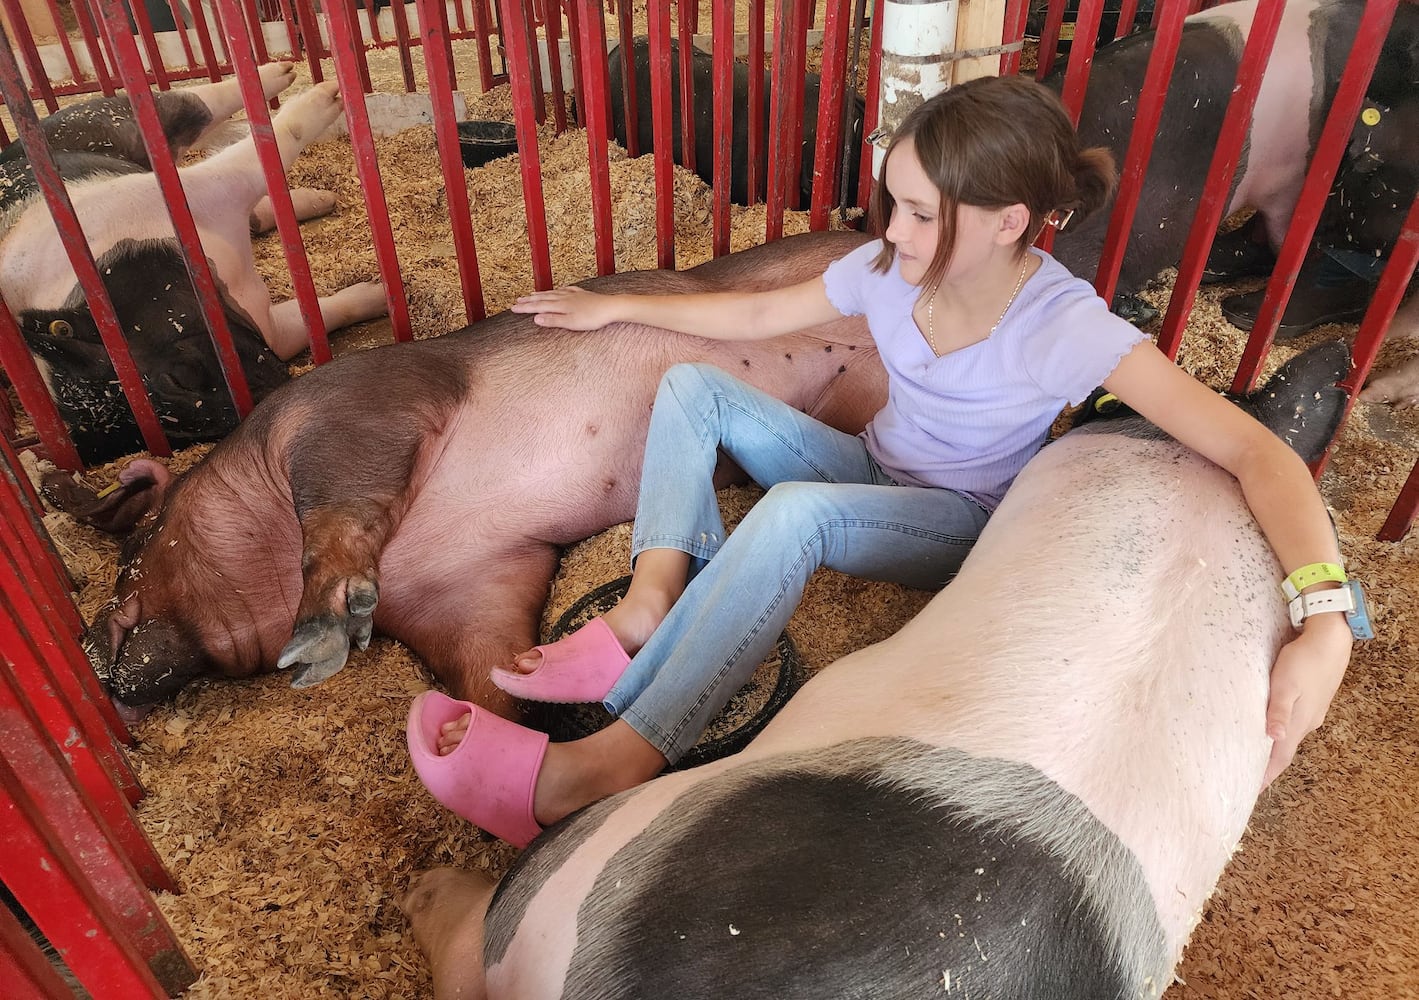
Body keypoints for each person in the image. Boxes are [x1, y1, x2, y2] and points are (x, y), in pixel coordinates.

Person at [405, 75, 1355, 849]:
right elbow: (750, 316)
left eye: (915, 213)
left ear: (1007, 222)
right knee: (695, 389)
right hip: (874, 461)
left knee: (796, 515)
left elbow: (1250, 446)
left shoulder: (1066, 330)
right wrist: (620, 308)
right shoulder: (889, 272)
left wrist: (1324, 619)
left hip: (959, 520)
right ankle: (649, 605)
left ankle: (611, 761)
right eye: (890, 204)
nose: (889, 231)